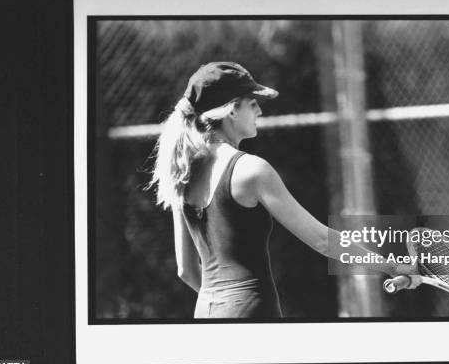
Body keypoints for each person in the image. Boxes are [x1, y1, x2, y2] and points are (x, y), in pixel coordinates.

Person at [149, 62, 417, 319]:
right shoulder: (252, 170)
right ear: (231, 110)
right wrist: (394, 266)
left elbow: (186, 270)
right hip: (251, 312)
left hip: (205, 312)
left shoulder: (180, 172)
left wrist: (224, 307)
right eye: (253, 104)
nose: (260, 112)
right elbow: (322, 240)